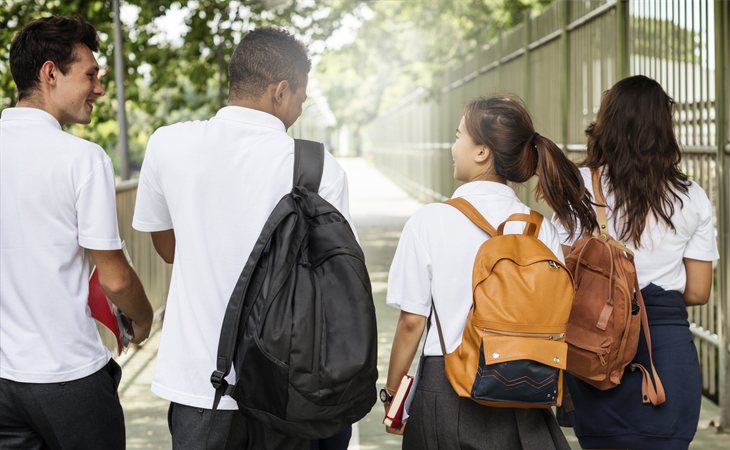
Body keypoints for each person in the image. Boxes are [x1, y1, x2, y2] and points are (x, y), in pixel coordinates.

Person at [132, 27, 354, 449]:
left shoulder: (168, 144)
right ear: (281, 91)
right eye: (301, 99)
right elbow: (335, 286)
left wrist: (212, 254)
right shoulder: (319, 166)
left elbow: (165, 246)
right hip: (289, 391)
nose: (300, 110)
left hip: (200, 389)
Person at [383, 96, 597, 449]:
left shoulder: (430, 221)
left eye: (458, 137)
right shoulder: (541, 228)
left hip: (447, 388)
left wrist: (393, 393)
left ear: (482, 152)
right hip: (525, 387)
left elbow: (412, 322)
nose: (453, 148)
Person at [0, 16, 154, 450]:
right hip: (70, 381)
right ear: (50, 73)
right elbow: (116, 278)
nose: (100, 89)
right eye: (90, 74)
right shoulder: (81, 158)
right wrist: (141, 320)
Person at [553, 75, 719, 450]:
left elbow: (560, 275)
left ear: (606, 124)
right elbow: (698, 290)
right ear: (665, 129)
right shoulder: (691, 197)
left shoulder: (578, 186)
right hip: (666, 354)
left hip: (596, 350)